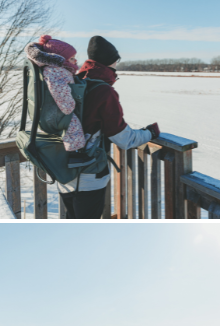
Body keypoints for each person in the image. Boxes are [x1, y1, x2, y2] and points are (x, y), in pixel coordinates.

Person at [59, 36, 161, 219]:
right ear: (110, 62)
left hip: (63, 172)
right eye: (116, 60)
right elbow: (124, 139)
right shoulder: (104, 91)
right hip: (88, 177)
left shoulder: (74, 81)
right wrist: (150, 133)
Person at [25, 35, 93, 168]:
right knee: (74, 125)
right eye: (72, 58)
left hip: (51, 110)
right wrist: (69, 107)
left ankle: (75, 152)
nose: (75, 61)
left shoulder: (55, 69)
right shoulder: (56, 71)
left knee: (72, 126)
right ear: (60, 59)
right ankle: (75, 156)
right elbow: (59, 90)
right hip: (58, 111)